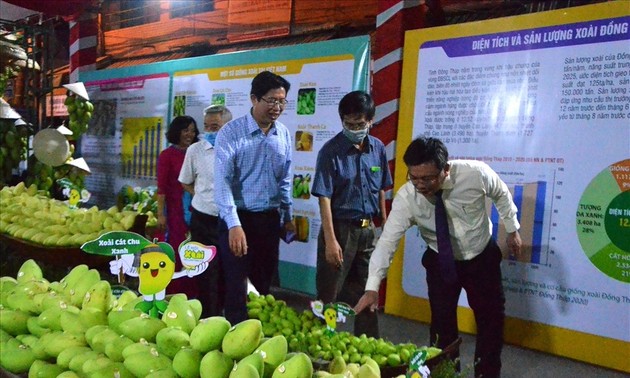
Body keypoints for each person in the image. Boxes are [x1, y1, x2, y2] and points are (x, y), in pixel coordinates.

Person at [354, 137, 522, 378]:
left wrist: (512, 228)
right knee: (442, 329)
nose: (420, 185)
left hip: (481, 257)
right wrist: (372, 287)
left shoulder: (475, 174)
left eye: (428, 178)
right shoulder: (407, 197)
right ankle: (446, 374)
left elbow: (501, 193)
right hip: (440, 260)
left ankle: (486, 374)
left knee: (491, 324)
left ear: (446, 169)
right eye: (414, 178)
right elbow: (387, 243)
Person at [214, 71, 295, 324]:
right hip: (238, 220)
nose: (277, 107)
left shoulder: (283, 134)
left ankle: (258, 342)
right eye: (271, 100)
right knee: (237, 288)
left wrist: (288, 216)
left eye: (282, 101)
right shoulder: (231, 133)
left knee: (262, 287)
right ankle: (234, 341)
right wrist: (233, 225)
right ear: (254, 99)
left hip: (269, 221)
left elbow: (285, 180)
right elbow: (222, 182)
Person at [311, 90, 392, 338]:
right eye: (348, 124)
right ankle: (321, 345)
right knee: (329, 293)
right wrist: (331, 240)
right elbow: (324, 197)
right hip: (340, 230)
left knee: (368, 291)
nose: (354, 128)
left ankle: (368, 345)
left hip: (367, 231)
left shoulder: (377, 148)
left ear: (370, 120)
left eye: (359, 124)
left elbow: (380, 188)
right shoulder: (330, 151)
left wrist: (385, 224)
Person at [178, 105, 232, 317]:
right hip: (202, 220)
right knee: (206, 272)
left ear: (228, 127)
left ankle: (225, 317)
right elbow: (185, 181)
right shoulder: (195, 150)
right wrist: (200, 195)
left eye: (215, 127)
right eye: (207, 127)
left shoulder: (238, 149)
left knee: (227, 272)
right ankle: (206, 318)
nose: (210, 131)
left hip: (229, 221)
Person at [156, 115, 199, 297]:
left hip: (197, 210)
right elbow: (162, 188)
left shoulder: (198, 152)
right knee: (176, 249)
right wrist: (160, 214)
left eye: (192, 130)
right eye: (185, 130)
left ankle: (193, 295)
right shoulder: (167, 155)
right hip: (175, 212)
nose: (189, 134)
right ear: (177, 132)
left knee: (194, 250)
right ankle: (172, 294)